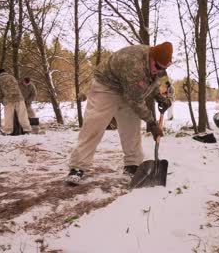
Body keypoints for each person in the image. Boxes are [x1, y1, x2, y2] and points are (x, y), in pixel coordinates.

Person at [65, 42, 173, 185]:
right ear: (151, 57)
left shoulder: (157, 65)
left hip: (129, 89)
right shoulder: (135, 64)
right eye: (158, 67)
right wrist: (152, 123)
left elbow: (151, 82)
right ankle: (77, 166)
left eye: (163, 68)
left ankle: (132, 164)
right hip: (107, 86)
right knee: (94, 124)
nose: (159, 70)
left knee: (131, 127)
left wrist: (160, 97)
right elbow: (135, 100)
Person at [0, 69, 32, 134]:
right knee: (23, 115)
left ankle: (8, 131)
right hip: (19, 98)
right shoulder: (12, 77)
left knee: (8, 116)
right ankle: (27, 130)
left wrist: (1, 100)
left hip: (8, 99)